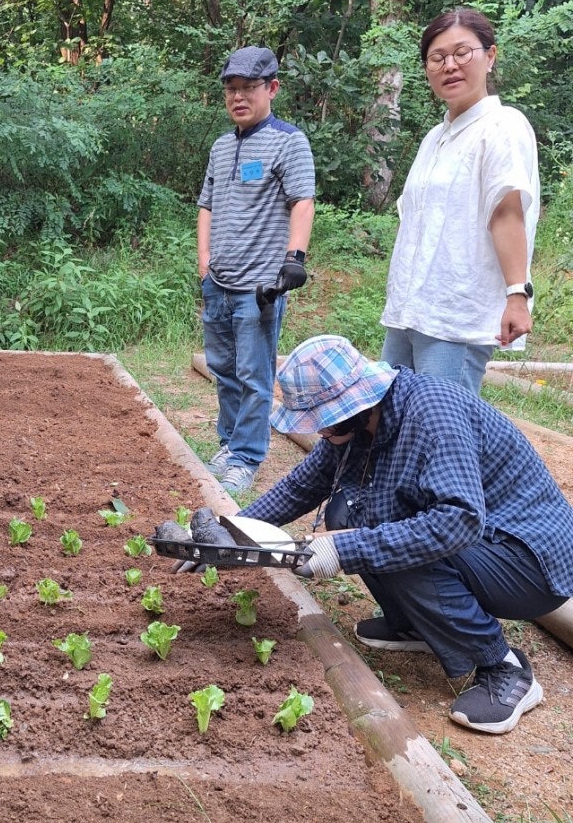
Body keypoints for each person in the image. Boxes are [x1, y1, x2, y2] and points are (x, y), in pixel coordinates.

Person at [238, 334, 573, 735]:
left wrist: (344, 550)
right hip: (484, 544)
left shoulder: (431, 414)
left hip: (526, 559)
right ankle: (414, 623)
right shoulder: (358, 425)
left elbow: (458, 521)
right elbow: (300, 487)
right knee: (351, 514)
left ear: (357, 401)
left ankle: (503, 666)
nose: (320, 431)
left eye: (323, 419)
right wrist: (233, 532)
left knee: (388, 544)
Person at [381, 7, 540, 394]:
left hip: (457, 315)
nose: (450, 65)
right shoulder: (434, 138)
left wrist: (517, 295)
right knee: (390, 420)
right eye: (437, 58)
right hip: (411, 310)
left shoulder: (502, 126)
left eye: (462, 52)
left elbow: (506, 214)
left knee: (442, 432)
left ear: (490, 56)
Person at [199, 45, 316, 497]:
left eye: (248, 88)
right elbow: (206, 204)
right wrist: (204, 262)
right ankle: (229, 444)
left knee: (254, 375)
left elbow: (302, 201)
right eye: (231, 89)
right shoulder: (222, 145)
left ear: (272, 88)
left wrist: (295, 260)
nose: (238, 97)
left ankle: (246, 457)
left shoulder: (289, 141)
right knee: (223, 369)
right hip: (220, 282)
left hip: (259, 286)